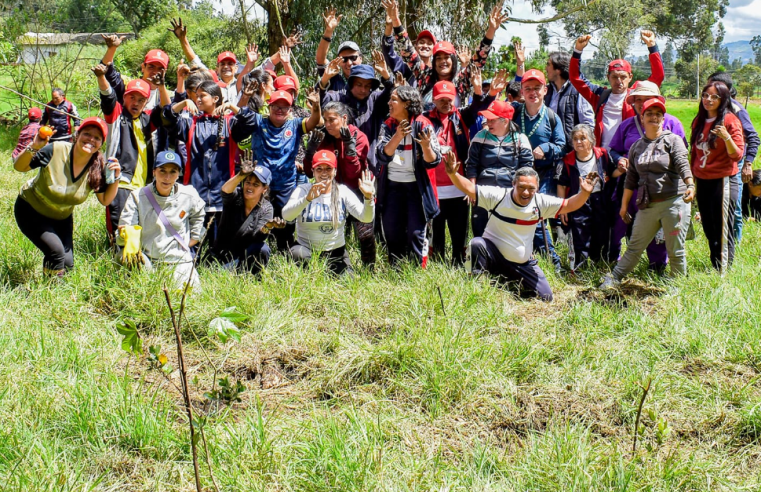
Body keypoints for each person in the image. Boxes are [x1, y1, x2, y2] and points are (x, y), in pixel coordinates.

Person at [444, 156, 598, 301]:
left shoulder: (541, 202)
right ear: (513, 185)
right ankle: (478, 285)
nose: (526, 192)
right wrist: (453, 174)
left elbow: (569, 205)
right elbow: (470, 188)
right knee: (477, 244)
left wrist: (584, 193)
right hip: (493, 256)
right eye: (521, 187)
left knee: (546, 297)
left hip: (521, 264)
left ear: (537, 188)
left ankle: (507, 281)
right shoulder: (498, 196)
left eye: (531, 188)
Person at [600, 98, 695, 288]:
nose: (654, 117)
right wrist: (624, 206)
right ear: (642, 118)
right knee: (635, 245)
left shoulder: (672, 140)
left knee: (675, 249)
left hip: (674, 201)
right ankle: (615, 278)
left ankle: (677, 286)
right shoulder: (637, 147)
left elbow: (683, 163)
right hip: (648, 204)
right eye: (649, 114)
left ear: (663, 118)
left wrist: (690, 184)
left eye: (658, 114)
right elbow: (631, 179)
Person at [13, 117, 121, 276]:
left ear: (101, 144)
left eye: (97, 137)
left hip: (61, 218)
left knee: (68, 265)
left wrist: (116, 178)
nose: (91, 139)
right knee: (56, 253)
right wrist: (34, 147)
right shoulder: (55, 150)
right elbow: (19, 167)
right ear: (78, 135)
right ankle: (51, 295)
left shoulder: (97, 167)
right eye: (87, 134)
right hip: (31, 210)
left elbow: (105, 200)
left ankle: (56, 289)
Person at [425, 70, 505, 265]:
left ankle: (459, 263)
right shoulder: (425, 119)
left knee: (459, 231)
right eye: (442, 99)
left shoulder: (462, 116)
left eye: (450, 98)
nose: (446, 103)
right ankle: (437, 266)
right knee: (436, 233)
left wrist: (491, 93)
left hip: (458, 187)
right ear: (434, 100)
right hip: (435, 188)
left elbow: (480, 105)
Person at [231, 89, 322, 251]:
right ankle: (253, 251)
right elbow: (242, 114)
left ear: (290, 110)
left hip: (285, 184)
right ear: (269, 107)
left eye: (284, 107)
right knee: (256, 219)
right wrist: (243, 98)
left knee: (285, 222)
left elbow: (314, 122)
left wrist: (316, 106)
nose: (280, 110)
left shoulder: (295, 125)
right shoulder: (259, 121)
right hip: (260, 184)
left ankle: (284, 251)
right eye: (276, 106)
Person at [607, 81, 686, 269]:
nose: (642, 104)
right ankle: (615, 262)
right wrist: (620, 160)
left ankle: (657, 266)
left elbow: (682, 155)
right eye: (638, 100)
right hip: (631, 185)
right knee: (623, 224)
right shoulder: (627, 125)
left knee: (660, 230)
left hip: (663, 188)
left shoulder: (672, 123)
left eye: (647, 99)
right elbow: (614, 150)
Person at [93, 63, 169, 241]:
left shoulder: (147, 119)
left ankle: (135, 264)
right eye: (132, 97)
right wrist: (100, 77)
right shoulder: (117, 115)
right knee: (119, 233)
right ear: (125, 97)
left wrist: (162, 86)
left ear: (146, 103)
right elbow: (107, 95)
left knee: (139, 231)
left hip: (143, 186)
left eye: (141, 100)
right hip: (120, 184)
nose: (135, 103)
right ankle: (115, 264)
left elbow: (166, 108)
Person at [162, 80, 240, 242]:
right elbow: (167, 119)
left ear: (215, 99)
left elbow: (251, 121)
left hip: (223, 198)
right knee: (194, 246)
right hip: (196, 196)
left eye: (202, 96)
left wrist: (231, 107)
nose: (197, 99)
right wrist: (183, 102)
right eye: (196, 96)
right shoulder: (190, 123)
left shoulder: (230, 122)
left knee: (220, 249)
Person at [118, 150, 206, 291]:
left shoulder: (189, 195)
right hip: (148, 259)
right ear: (153, 172)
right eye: (162, 171)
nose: (167, 177)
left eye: (173, 172)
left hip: (179, 261)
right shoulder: (137, 196)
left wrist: (195, 237)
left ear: (179, 174)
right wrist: (127, 237)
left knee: (191, 300)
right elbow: (125, 227)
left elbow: (199, 215)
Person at [390, 3, 507, 108]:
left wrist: (491, 29)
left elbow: (479, 58)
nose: (443, 61)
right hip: (425, 131)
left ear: (454, 61)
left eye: (447, 57)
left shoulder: (461, 81)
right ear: (434, 62)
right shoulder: (425, 76)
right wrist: (395, 20)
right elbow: (408, 51)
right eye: (439, 58)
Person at [375, 86, 441, 266]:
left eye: (394, 100)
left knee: (416, 232)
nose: (389, 103)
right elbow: (381, 155)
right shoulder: (388, 125)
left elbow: (434, 161)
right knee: (391, 230)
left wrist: (426, 147)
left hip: (416, 188)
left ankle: (417, 272)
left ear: (407, 104)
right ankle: (395, 270)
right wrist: (397, 136)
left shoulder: (422, 124)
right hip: (392, 187)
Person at [303, 101, 376, 266]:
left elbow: (353, 175)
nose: (327, 124)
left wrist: (349, 147)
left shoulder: (359, 137)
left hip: (358, 190)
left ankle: (369, 269)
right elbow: (310, 172)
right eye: (325, 120)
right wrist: (310, 151)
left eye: (332, 120)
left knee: (365, 234)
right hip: (332, 191)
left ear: (344, 118)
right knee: (330, 231)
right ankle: (328, 265)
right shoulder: (324, 138)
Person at [283, 150, 376, 275]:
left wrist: (368, 198)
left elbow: (366, 218)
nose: (324, 173)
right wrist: (307, 199)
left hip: (335, 251)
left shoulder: (342, 191)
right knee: (299, 254)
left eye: (328, 168)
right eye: (319, 169)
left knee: (347, 280)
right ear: (313, 171)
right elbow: (286, 215)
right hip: (306, 249)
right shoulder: (303, 190)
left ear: (335, 171)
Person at [570, 31, 664, 149]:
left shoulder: (637, 96)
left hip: (629, 156)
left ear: (630, 77)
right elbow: (576, 78)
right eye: (614, 77)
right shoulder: (599, 96)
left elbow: (658, 76)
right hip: (602, 155)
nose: (619, 81)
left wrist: (652, 46)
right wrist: (578, 51)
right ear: (608, 77)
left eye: (623, 77)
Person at [512, 68, 566, 272]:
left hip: (543, 175)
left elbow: (561, 145)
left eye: (537, 88)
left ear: (545, 90)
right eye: (528, 88)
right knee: (521, 215)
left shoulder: (552, 117)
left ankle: (552, 262)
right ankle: (525, 258)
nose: (532, 92)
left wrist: (546, 149)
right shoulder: (514, 112)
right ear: (522, 91)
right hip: (517, 175)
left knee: (535, 214)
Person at [690, 81, 744, 272]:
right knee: (708, 226)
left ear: (723, 100)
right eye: (705, 95)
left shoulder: (729, 121)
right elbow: (694, 153)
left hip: (723, 181)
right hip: (702, 180)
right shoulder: (699, 120)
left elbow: (737, 155)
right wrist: (692, 180)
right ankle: (715, 265)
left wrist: (726, 137)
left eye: (714, 97)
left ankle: (723, 272)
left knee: (722, 228)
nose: (708, 100)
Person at [706, 71, 760, 245]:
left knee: (733, 206)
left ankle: (733, 246)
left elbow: (753, 137)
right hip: (713, 165)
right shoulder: (709, 109)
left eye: (713, 89)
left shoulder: (736, 110)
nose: (709, 93)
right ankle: (717, 242)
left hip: (734, 165)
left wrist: (748, 163)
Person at [466, 99, 534, 237]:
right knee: (481, 232)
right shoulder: (480, 137)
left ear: (505, 121)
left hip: (509, 192)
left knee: (507, 232)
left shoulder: (521, 140)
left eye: (492, 119)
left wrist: (519, 191)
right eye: (487, 118)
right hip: (483, 191)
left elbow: (526, 169)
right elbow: (471, 164)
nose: (487, 122)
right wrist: (472, 189)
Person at [210, 151, 284, 273]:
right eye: (247, 182)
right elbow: (225, 191)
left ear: (264, 189)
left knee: (262, 249)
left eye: (256, 184)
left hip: (245, 257)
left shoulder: (266, 208)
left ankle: (252, 278)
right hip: (223, 255)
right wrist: (240, 175)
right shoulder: (235, 196)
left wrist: (267, 226)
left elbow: (257, 237)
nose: (250, 187)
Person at [320, 53, 394, 168]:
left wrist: (387, 77)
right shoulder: (338, 98)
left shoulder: (375, 100)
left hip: (370, 166)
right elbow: (319, 100)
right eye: (359, 85)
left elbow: (391, 94)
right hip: (343, 167)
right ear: (351, 84)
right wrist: (324, 79)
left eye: (367, 86)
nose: (363, 89)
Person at [557, 124, 611, 271]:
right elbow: (561, 185)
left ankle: (599, 266)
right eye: (575, 139)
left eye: (583, 138)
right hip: (578, 202)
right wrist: (563, 209)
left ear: (591, 140)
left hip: (600, 200)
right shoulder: (567, 160)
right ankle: (581, 269)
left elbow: (611, 174)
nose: (579, 142)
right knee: (580, 235)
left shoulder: (602, 155)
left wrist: (622, 168)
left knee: (601, 234)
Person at [99, 34, 170, 111]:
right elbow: (107, 72)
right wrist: (112, 49)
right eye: (151, 67)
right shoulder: (128, 85)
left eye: (160, 69)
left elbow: (169, 114)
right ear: (143, 67)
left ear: (165, 72)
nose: (155, 72)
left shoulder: (167, 95)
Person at [544, 51, 595, 153]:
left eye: (548, 64)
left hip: (571, 153)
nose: (546, 68)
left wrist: (578, 146)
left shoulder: (578, 91)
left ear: (558, 69)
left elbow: (587, 125)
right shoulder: (547, 92)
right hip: (549, 151)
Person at [315, 8, 363, 92]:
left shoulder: (369, 82)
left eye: (353, 58)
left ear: (360, 58)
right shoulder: (333, 80)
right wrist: (328, 31)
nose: (349, 63)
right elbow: (320, 60)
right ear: (339, 61)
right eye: (344, 59)